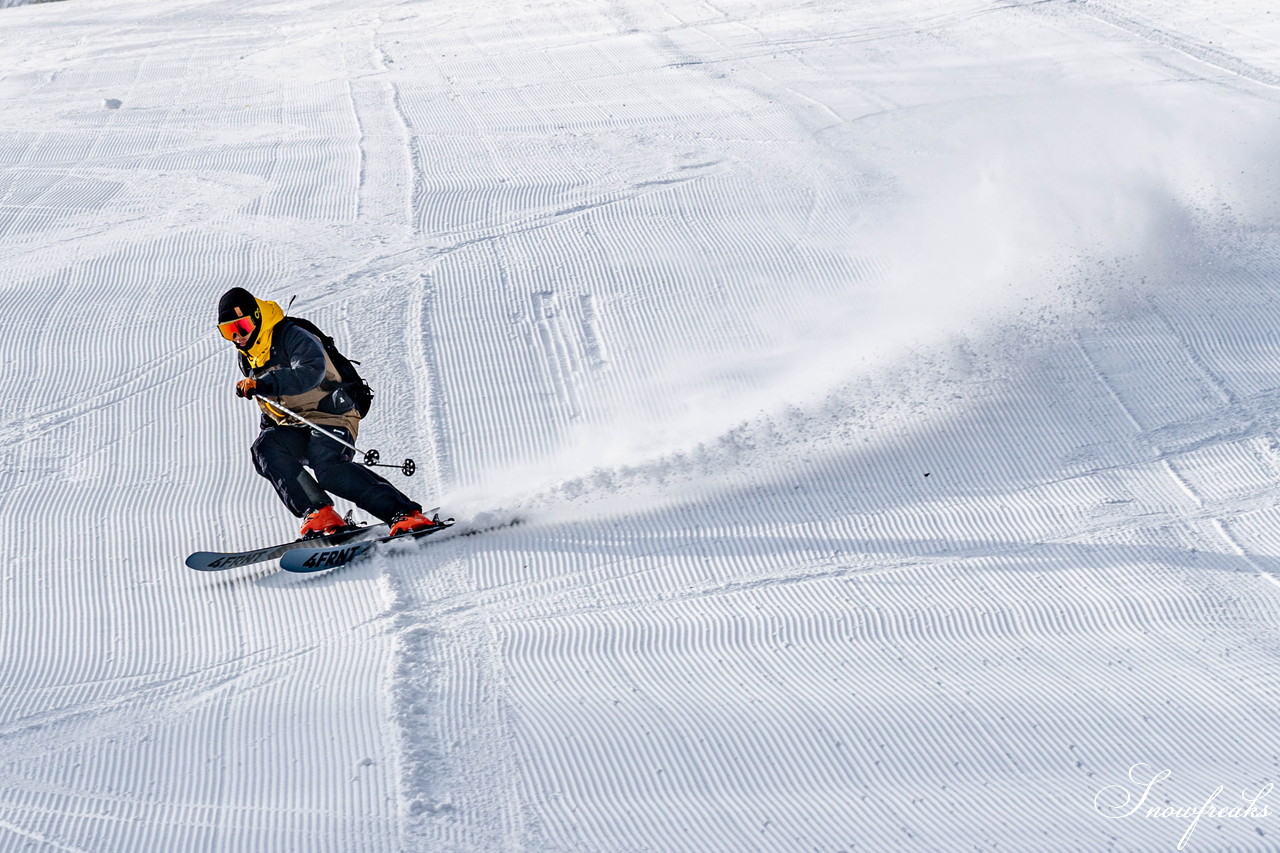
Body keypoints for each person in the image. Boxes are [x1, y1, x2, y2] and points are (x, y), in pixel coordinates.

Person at [216, 287, 436, 539]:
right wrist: (272, 444)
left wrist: (264, 382)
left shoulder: (291, 335)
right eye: (228, 331)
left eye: (241, 326)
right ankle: (320, 514)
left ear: (256, 317)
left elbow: (311, 371)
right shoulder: (249, 358)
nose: (237, 337)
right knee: (264, 448)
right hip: (294, 423)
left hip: (332, 414)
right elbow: (270, 405)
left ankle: (405, 513)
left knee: (329, 469)